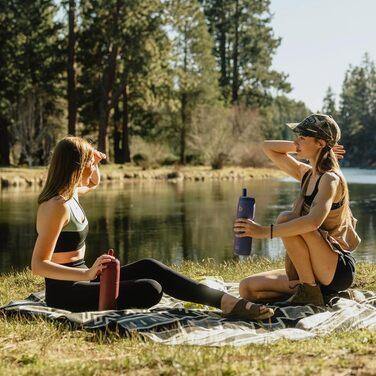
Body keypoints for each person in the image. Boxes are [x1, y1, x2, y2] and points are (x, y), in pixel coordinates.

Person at [31, 136, 273, 320]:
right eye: (90, 164)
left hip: (84, 281)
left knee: (149, 266)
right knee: (151, 289)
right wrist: (85, 274)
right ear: (77, 166)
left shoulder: (71, 194)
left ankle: (226, 302)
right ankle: (227, 303)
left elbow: (93, 183)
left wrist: (94, 158)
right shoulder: (56, 206)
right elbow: (38, 265)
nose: (94, 169)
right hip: (66, 293)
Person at [234, 114, 361, 306]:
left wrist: (264, 232)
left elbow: (313, 222)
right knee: (247, 288)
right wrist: (307, 146)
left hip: (335, 270)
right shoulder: (308, 174)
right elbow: (268, 147)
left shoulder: (330, 179)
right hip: (312, 269)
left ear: (319, 142)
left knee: (286, 219)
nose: (296, 141)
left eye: (302, 137)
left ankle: (310, 292)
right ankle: (313, 292)